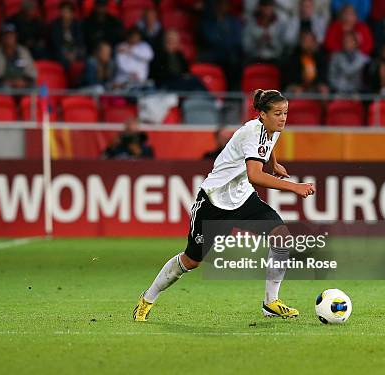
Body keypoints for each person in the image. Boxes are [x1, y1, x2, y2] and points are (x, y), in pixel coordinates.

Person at [133, 89, 315, 322]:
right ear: (262, 115)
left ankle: (271, 302)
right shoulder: (252, 133)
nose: (283, 118)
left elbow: (267, 147)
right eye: (278, 113)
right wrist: (295, 187)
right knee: (192, 260)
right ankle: (147, 298)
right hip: (214, 201)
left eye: (286, 113)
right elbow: (255, 176)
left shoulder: (272, 129)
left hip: (243, 198)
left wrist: (274, 163)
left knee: (281, 237)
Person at [0, 23, 37, 88]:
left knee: (34, 87)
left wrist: (24, 81)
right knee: (5, 87)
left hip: (21, 83)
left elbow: (32, 72)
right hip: (4, 84)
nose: (9, 37)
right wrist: (8, 82)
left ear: (15, 36)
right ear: (2, 37)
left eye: (11, 35)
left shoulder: (23, 51)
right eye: (6, 35)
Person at [49, 1, 85, 68]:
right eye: (62, 12)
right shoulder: (55, 25)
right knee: (62, 59)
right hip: (61, 51)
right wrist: (66, 54)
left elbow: (80, 41)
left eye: (66, 12)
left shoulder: (77, 24)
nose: (63, 14)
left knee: (83, 54)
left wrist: (74, 54)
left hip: (74, 50)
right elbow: (56, 44)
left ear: (72, 14)